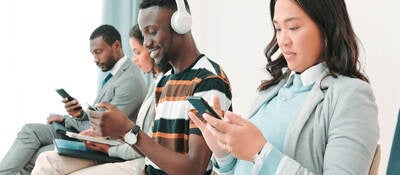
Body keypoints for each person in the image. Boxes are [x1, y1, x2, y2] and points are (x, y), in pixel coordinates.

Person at [188, 0, 380, 174]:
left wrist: (260, 152)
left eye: (293, 27)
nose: (283, 41)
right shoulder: (271, 91)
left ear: (327, 27)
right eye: (278, 29)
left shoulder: (351, 96)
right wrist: (223, 153)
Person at [88, 0, 232, 174]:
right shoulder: (164, 82)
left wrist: (128, 129)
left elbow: (194, 169)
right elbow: (154, 154)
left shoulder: (208, 80)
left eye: (152, 32)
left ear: (181, 25)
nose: (147, 43)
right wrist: (122, 132)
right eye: (144, 34)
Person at [0, 24, 147, 175]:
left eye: (98, 52)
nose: (95, 59)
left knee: (37, 154)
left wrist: (65, 120)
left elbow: (103, 128)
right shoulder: (114, 75)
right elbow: (99, 115)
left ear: (116, 45)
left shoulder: (131, 80)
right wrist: (80, 115)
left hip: (103, 142)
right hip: (85, 131)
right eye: (92, 54)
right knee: (30, 131)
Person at [31, 24, 172, 175]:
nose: (134, 59)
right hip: (119, 145)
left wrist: (109, 147)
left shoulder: (135, 81)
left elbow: (142, 140)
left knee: (44, 154)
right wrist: (81, 116)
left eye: (137, 52)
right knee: (44, 156)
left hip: (127, 152)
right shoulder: (154, 83)